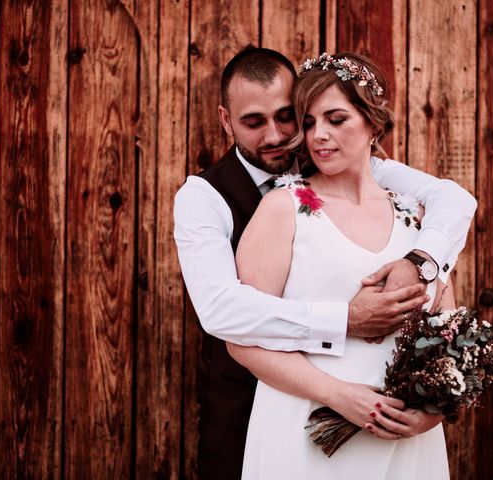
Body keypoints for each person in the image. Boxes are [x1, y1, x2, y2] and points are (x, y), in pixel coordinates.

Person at [173, 48, 475, 479]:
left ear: (371, 123)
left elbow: (455, 201)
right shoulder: (214, 198)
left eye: (289, 117)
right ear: (227, 121)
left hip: (399, 432)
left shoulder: (402, 201)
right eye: (254, 122)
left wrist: (435, 407)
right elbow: (223, 311)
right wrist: (347, 323)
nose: (281, 135)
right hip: (274, 410)